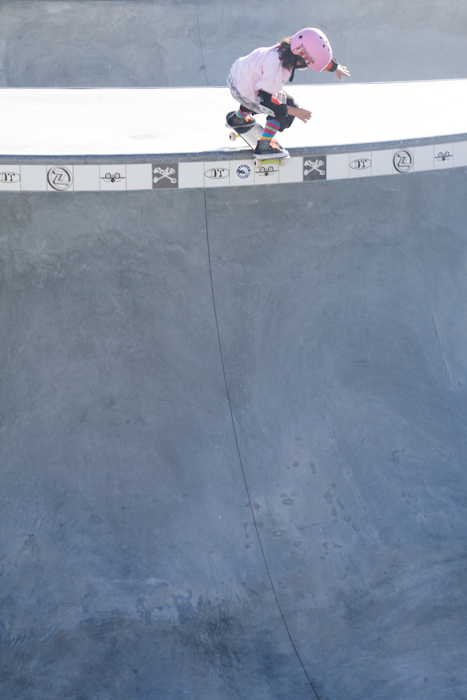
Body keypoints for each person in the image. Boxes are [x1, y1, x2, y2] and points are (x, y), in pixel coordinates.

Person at [226, 28, 350, 159]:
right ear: (300, 57)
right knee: (286, 109)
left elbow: (315, 56)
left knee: (268, 95)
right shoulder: (275, 67)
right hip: (244, 92)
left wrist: (335, 67)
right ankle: (264, 145)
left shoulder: (288, 49)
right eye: (307, 64)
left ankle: (239, 118)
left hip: (237, 76)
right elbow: (265, 101)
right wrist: (294, 112)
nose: (307, 67)